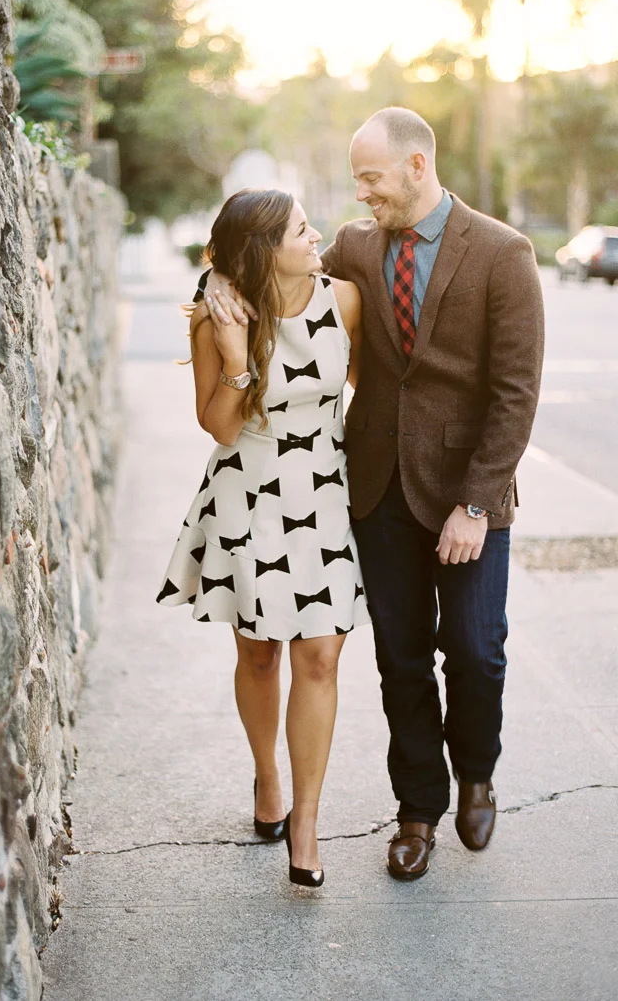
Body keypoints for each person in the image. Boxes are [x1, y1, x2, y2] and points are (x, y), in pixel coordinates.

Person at [200, 107, 545, 881]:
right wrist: (219, 275)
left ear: (417, 167)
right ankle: (416, 812)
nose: (360, 195)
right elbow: (262, 256)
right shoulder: (357, 246)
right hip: (376, 487)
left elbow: (516, 393)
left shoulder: (503, 253)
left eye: (370, 178)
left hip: (468, 494)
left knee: (478, 650)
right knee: (401, 658)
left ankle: (477, 773)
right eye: (357, 180)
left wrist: (478, 503)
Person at [157, 188, 368, 887]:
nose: (317, 239)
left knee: (320, 655)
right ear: (262, 249)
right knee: (259, 652)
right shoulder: (220, 315)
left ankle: (305, 819)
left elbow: (362, 388)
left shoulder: (345, 301)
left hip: (326, 492)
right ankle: (267, 777)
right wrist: (236, 355)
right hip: (249, 489)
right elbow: (218, 425)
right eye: (302, 231)